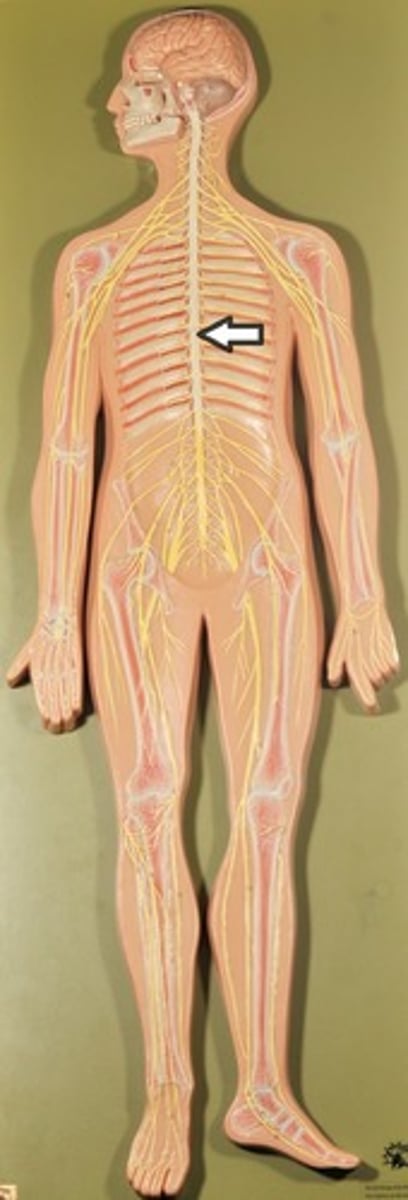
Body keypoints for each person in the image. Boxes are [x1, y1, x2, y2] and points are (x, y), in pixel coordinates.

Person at [7, 9, 399, 1196]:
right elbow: (67, 445)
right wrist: (56, 613)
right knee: (147, 805)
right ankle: (171, 1090)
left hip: (270, 555)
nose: (112, 102)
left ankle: (262, 1091)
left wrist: (364, 593)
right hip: (135, 560)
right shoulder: (92, 265)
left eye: (135, 83)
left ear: (199, 98)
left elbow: (337, 429)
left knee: (269, 808)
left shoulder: (298, 256)